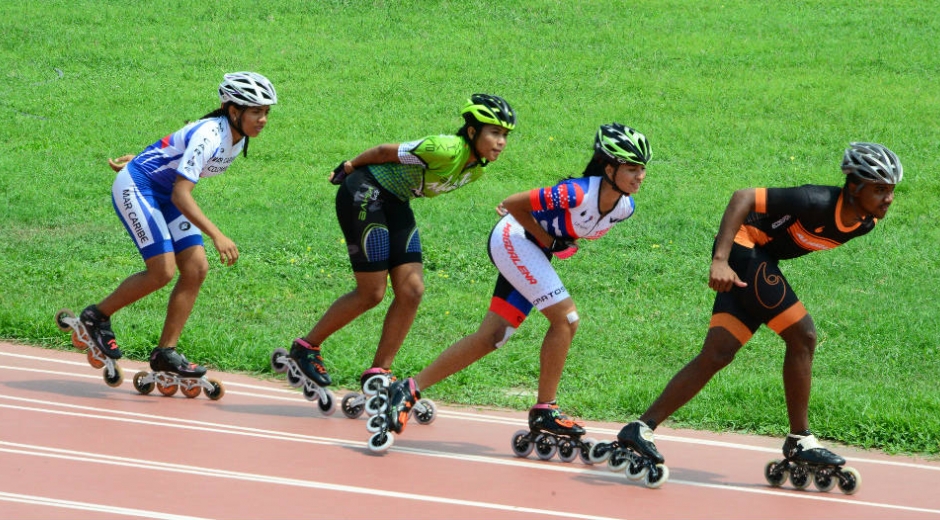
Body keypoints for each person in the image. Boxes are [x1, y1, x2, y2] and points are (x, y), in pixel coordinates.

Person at [614, 142, 903, 469]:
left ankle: (639, 429)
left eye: (891, 190)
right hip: (743, 246)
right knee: (803, 336)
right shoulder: (816, 200)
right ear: (854, 186)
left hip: (760, 258)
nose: (888, 199)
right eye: (880, 189)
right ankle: (800, 440)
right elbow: (743, 197)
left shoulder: (866, 222)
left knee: (718, 353)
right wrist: (720, 261)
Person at [382, 123, 652, 442]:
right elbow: (512, 204)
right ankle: (545, 410)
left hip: (534, 250)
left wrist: (557, 243)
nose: (639, 176)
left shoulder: (624, 208)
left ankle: (409, 389)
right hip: (515, 238)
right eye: (632, 168)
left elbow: (570, 233)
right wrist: (548, 240)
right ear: (609, 167)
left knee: (492, 336)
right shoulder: (577, 192)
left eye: (642, 169)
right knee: (566, 319)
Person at [286, 94, 517, 393]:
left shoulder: (476, 170)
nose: (501, 142)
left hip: (395, 200)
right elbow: (384, 152)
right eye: (495, 133)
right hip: (365, 191)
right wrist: (349, 166)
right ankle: (306, 347)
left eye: (505, 136)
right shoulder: (445, 149)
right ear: (472, 132)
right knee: (372, 292)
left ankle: (379, 372)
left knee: (412, 290)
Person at [76, 71, 277, 379]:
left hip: (164, 191)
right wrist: (217, 235)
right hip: (140, 186)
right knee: (163, 271)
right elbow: (182, 194)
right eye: (255, 111)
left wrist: (145, 156)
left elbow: (173, 146)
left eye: (266, 112)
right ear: (234, 111)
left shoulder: (238, 136)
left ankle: (165, 353)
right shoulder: (211, 134)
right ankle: (96, 317)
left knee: (196, 269)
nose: (262, 119)